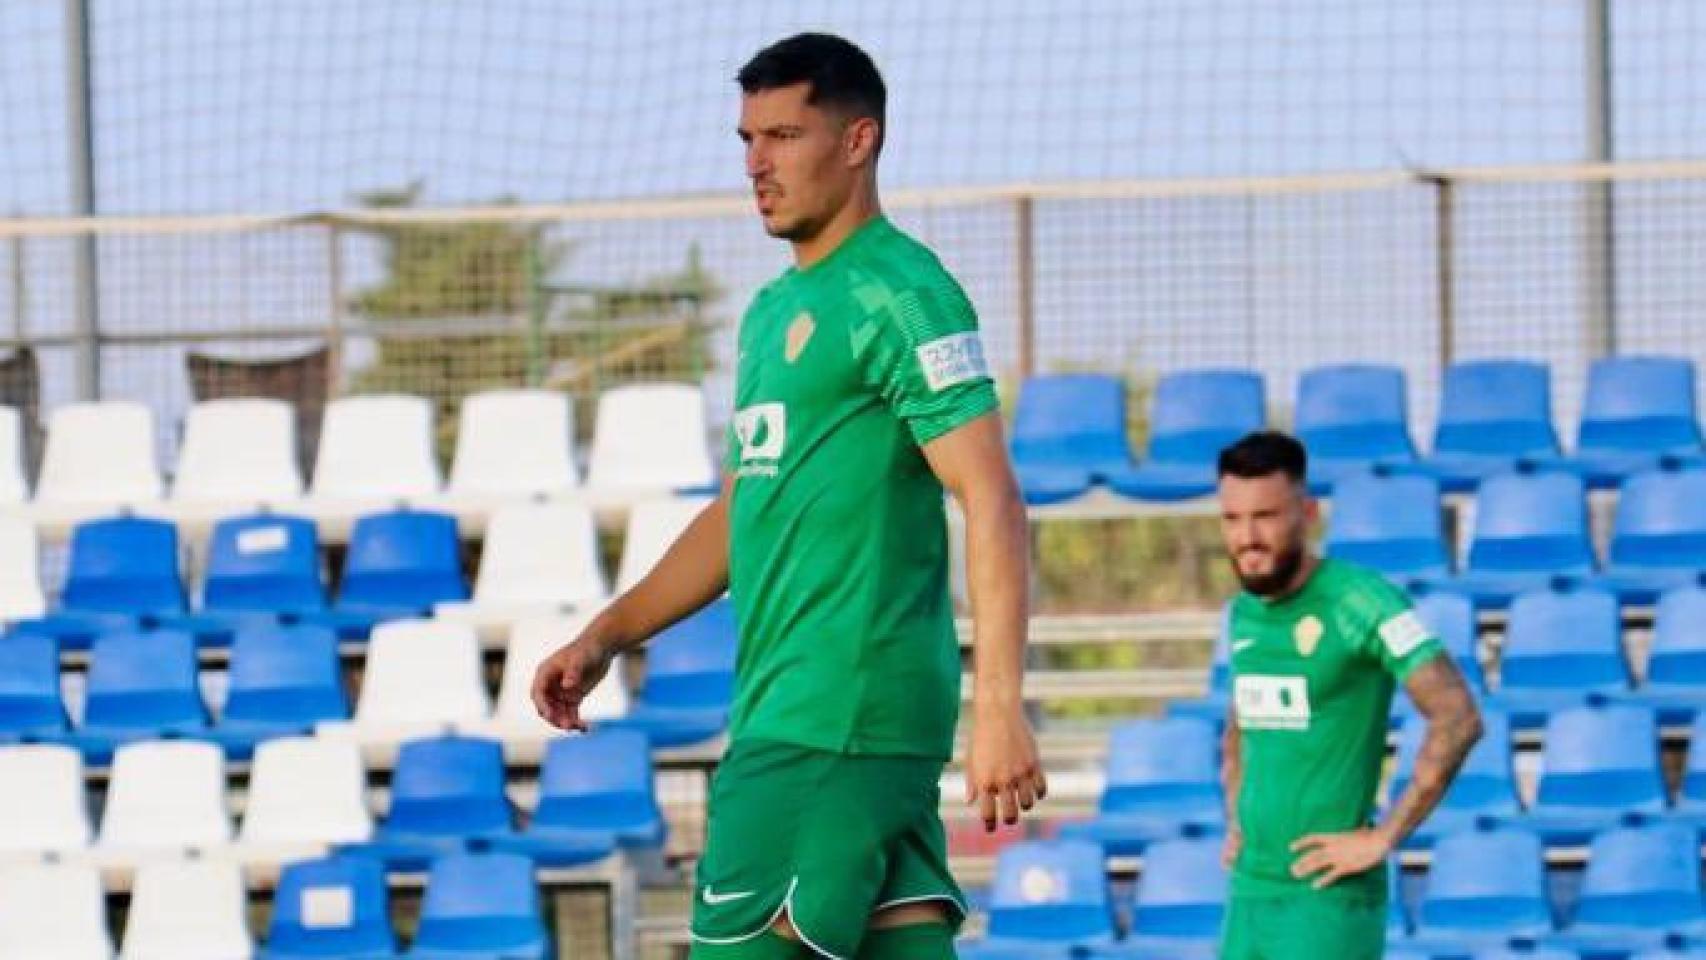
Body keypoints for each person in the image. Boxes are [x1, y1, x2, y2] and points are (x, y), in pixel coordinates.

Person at [532, 32, 1045, 960]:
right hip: (826, 726)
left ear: (858, 141)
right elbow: (743, 513)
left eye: (782, 135)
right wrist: (606, 633)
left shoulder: (905, 292)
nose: (756, 164)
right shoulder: (774, 313)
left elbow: (993, 499)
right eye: (746, 139)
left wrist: (1001, 708)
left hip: (825, 726)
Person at [1214, 431, 1482, 960]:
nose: (1247, 537)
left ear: (1308, 513)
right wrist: (1238, 817)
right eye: (1232, 519)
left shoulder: (1363, 601)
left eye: (1265, 516)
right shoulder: (1245, 611)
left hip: (1327, 893)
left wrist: (1384, 836)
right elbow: (1242, 725)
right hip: (1251, 888)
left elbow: (1457, 716)